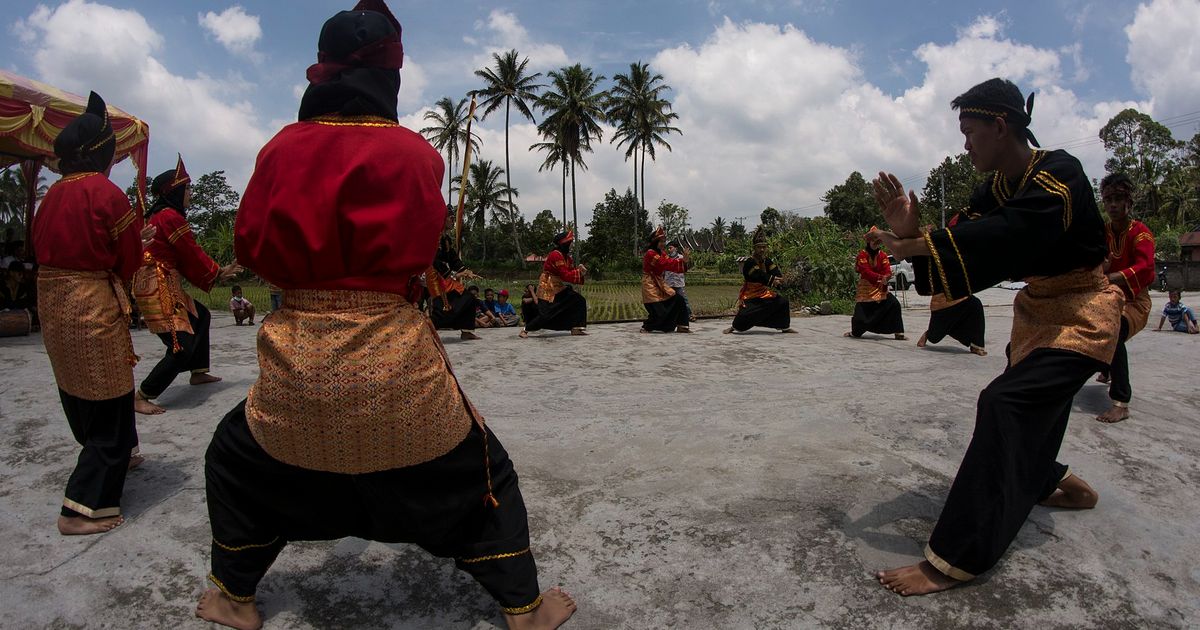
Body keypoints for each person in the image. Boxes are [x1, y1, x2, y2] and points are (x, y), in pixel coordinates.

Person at [196, 4, 575, 629]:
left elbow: (252, 248)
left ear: (320, 72)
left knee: (233, 457)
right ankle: (522, 609)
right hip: (399, 369)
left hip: (297, 370)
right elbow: (424, 253)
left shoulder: (279, 150)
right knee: (488, 470)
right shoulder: (416, 155)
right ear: (389, 79)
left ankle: (235, 598)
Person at [868, 78, 1124, 597]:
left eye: (970, 132)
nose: (965, 145)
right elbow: (967, 235)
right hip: (1038, 317)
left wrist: (916, 243)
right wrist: (913, 233)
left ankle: (954, 560)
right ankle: (1051, 482)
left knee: (1006, 403)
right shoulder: (995, 189)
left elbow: (1009, 235)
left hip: (1083, 312)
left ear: (1000, 126)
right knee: (1032, 407)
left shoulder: (1060, 174)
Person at [32, 91, 156, 535]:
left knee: (77, 386)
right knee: (107, 392)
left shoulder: (51, 197)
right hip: (90, 302)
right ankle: (82, 507)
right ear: (101, 152)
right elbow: (127, 260)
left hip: (51, 301)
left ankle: (118, 455)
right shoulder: (103, 193)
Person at [132, 155, 239, 409]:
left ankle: (198, 372)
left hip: (164, 281)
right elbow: (190, 252)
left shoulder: (162, 215)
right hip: (158, 285)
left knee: (201, 316)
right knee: (181, 346)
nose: (190, 193)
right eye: (188, 188)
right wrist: (218, 272)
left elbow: (185, 256)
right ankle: (142, 395)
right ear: (175, 191)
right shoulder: (169, 217)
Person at [1094, 173, 1155, 424]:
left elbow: (1146, 267)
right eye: (1108, 199)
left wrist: (1111, 276)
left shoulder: (1141, 233)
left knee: (1114, 330)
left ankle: (1121, 402)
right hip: (1108, 297)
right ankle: (1107, 367)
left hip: (1134, 302)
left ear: (1129, 202)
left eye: (1119, 199)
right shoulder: (1102, 231)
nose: (1113, 205)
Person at [916, 213, 986, 355]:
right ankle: (929, 334)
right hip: (943, 297)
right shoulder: (938, 248)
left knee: (975, 305)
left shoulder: (963, 247)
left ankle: (976, 345)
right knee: (935, 337)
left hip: (961, 295)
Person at [724, 227, 795, 334]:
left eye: (764, 247)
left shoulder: (767, 261)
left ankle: (784, 327)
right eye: (759, 247)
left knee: (783, 302)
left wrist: (780, 280)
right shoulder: (749, 262)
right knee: (744, 315)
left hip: (763, 293)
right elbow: (758, 275)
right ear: (754, 248)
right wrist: (773, 280)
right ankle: (734, 327)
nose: (762, 250)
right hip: (750, 295)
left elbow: (774, 271)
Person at [521, 231, 588, 338]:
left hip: (557, 285)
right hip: (547, 286)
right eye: (571, 242)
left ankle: (576, 328)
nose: (572, 245)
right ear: (565, 243)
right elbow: (565, 275)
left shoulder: (567, 258)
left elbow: (569, 272)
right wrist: (579, 272)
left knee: (579, 300)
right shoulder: (555, 255)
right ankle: (525, 330)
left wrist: (580, 271)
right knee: (546, 313)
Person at [846, 236, 905, 340]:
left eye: (878, 242)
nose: (876, 244)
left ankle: (898, 332)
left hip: (880, 288)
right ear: (869, 242)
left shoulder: (883, 255)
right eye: (874, 241)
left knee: (894, 304)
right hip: (866, 289)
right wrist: (880, 277)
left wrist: (887, 276)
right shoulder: (862, 255)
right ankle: (856, 332)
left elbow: (887, 269)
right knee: (861, 313)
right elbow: (865, 271)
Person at [428, 234, 482, 340]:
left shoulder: (445, 242)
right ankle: (424, 329)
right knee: (443, 313)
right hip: (437, 282)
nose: (453, 220)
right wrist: (457, 274)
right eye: (451, 217)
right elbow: (438, 265)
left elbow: (454, 261)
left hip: (449, 282)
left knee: (469, 299)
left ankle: (466, 331)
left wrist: (466, 271)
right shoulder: (432, 243)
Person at [641, 226, 690, 333]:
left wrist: (684, 262)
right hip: (650, 284)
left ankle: (682, 325)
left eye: (664, 241)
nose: (663, 244)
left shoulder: (662, 253)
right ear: (655, 242)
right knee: (660, 311)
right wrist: (682, 261)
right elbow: (665, 264)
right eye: (661, 241)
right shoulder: (650, 253)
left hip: (660, 283)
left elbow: (669, 263)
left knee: (679, 299)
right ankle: (647, 327)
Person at [664, 243, 693, 322]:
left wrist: (686, 259)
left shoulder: (681, 257)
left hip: (678, 282)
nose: (669, 250)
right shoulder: (666, 258)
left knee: (683, 300)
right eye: (668, 248)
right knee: (667, 301)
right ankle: (669, 317)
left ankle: (689, 315)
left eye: (671, 248)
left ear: (676, 248)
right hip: (668, 282)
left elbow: (686, 267)